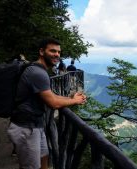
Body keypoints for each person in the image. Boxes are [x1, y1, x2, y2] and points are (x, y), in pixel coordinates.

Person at [7, 38, 87, 169]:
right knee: (30, 166)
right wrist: (75, 101)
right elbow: (53, 103)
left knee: (44, 158)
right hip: (26, 128)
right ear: (42, 52)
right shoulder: (37, 73)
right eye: (53, 51)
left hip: (35, 125)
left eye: (59, 52)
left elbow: (51, 96)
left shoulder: (39, 70)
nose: (57, 55)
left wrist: (70, 97)